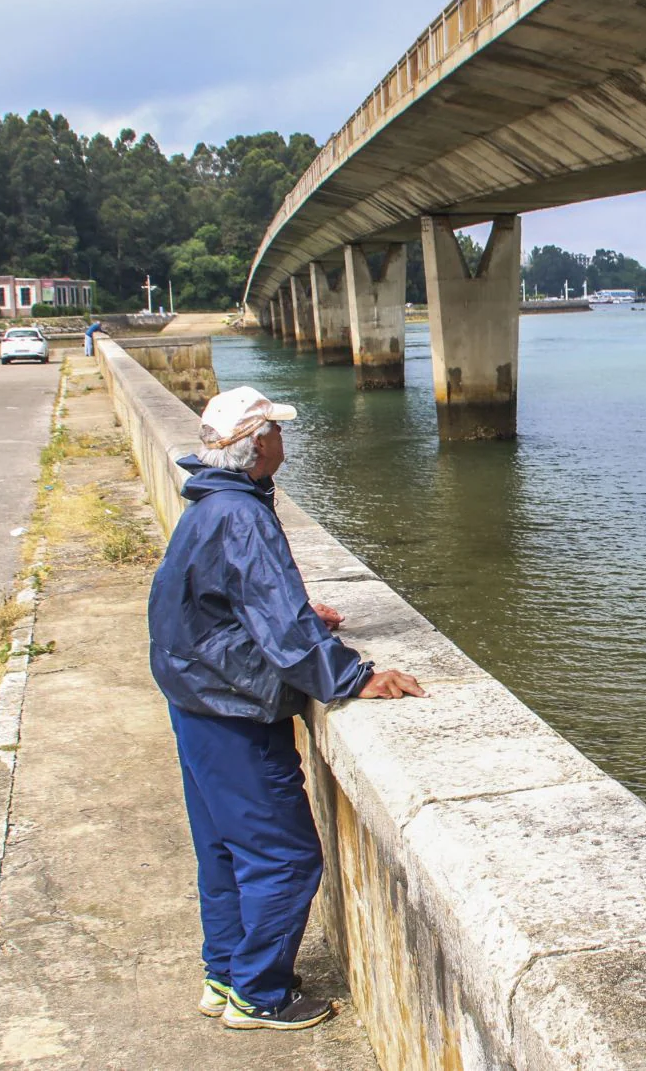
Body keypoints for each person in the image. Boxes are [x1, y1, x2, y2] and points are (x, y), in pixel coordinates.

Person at [147, 385, 424, 1031]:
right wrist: (356, 675)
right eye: (275, 430)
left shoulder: (212, 503)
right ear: (257, 444)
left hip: (195, 700)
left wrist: (292, 612)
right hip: (231, 709)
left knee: (223, 850)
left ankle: (224, 975)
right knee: (285, 856)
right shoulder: (241, 515)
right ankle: (260, 994)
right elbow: (289, 635)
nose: (282, 439)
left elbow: (224, 599)